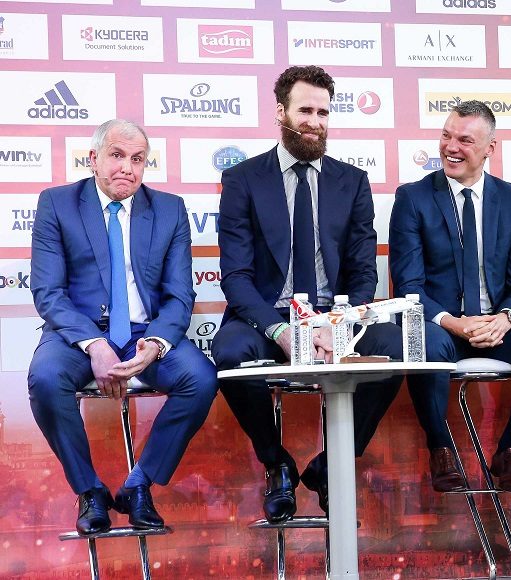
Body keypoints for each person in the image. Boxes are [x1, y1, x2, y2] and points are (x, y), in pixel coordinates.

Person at [211, 65, 402, 523]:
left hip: (333, 315)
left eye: (323, 113)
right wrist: (281, 332)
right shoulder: (243, 179)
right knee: (230, 351)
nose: (315, 122)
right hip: (269, 314)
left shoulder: (352, 181)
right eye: (305, 111)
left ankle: (332, 465)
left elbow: (363, 271)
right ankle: (276, 462)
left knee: (394, 347)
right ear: (281, 112)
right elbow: (235, 277)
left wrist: (340, 325)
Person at [28, 119, 218, 535]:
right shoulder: (57, 204)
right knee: (46, 379)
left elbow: (179, 295)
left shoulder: (169, 209)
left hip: (144, 330)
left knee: (201, 378)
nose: (127, 168)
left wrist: (156, 342)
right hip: (77, 333)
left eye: (137, 159)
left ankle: (139, 484)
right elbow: (48, 292)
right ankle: (90, 491)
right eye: (116, 156)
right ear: (93, 159)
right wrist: (94, 344)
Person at [389, 100, 511, 494]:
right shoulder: (413, 198)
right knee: (424, 343)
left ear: (490, 148)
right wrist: (454, 323)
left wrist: (504, 319)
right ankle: (440, 449)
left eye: (465, 140)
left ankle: (510, 448)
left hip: (496, 326)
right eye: (446, 136)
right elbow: (408, 286)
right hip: (442, 326)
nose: (451, 147)